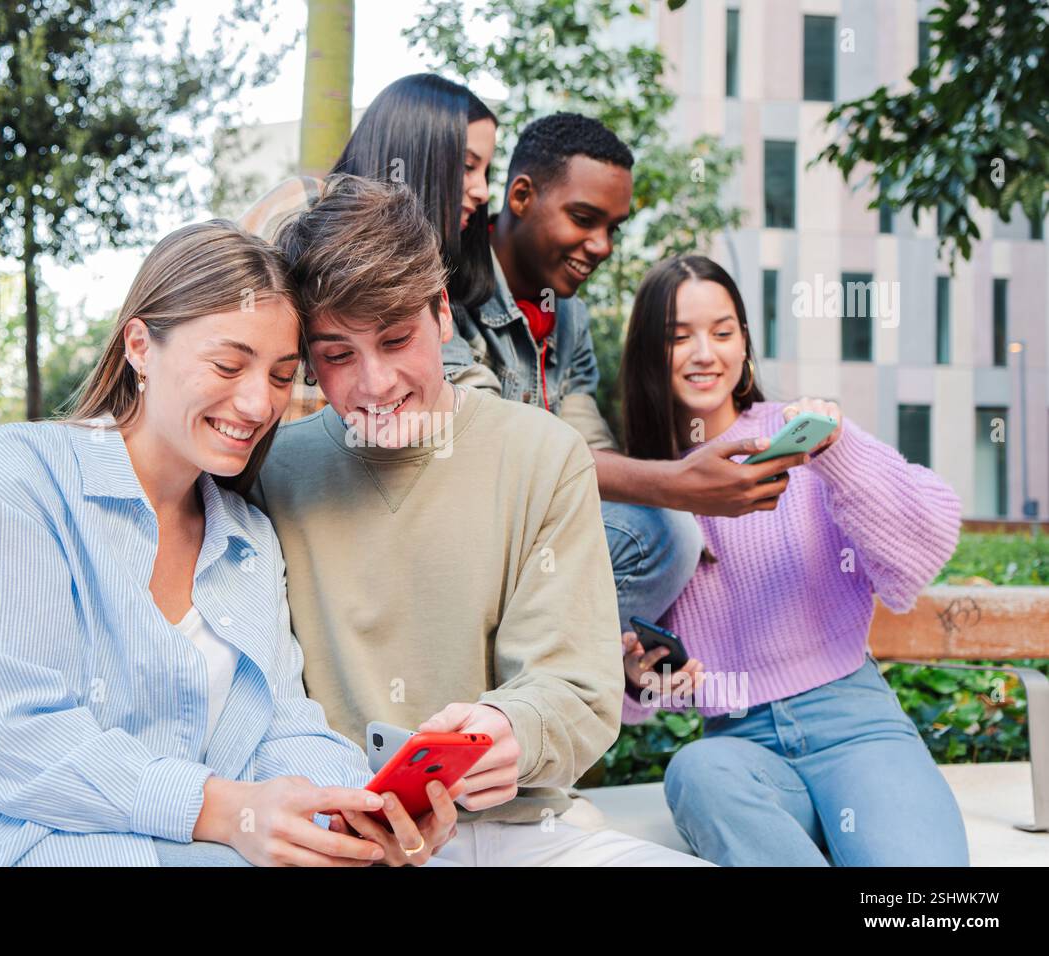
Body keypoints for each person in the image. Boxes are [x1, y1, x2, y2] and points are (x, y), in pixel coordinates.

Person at [0, 221, 458, 867]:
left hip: (160, 847)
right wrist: (224, 810)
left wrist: (361, 813)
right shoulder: (15, 479)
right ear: (140, 345)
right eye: (228, 363)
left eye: (280, 376)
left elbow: (282, 724)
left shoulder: (245, 539)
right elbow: (9, 735)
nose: (257, 402)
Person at [251, 173, 712, 866]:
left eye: (397, 338)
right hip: (337, 835)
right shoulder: (272, 471)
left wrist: (511, 727)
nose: (375, 384)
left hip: (518, 831)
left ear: (441, 313)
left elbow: (576, 686)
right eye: (339, 356)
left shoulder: (543, 455)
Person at [616, 254, 969, 866]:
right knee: (694, 770)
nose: (705, 353)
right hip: (738, 748)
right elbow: (629, 686)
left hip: (855, 724)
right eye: (679, 337)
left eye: (723, 332)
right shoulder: (642, 489)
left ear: (745, 344)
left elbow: (926, 542)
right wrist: (644, 683)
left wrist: (839, 451)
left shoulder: (797, 432)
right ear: (650, 353)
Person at [441, 112, 808, 635]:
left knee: (664, 534)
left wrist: (679, 494)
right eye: (584, 218)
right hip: (452, 533)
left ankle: (563, 674)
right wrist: (676, 484)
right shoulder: (447, 287)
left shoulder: (570, 318)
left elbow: (585, 441)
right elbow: (497, 444)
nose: (602, 246)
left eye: (612, 228)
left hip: (525, 537)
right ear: (521, 197)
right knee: (662, 531)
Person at [239, 72, 503, 415]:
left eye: (397, 340)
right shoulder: (302, 209)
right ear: (416, 150)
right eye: (468, 166)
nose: (482, 191)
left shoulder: (451, 276)